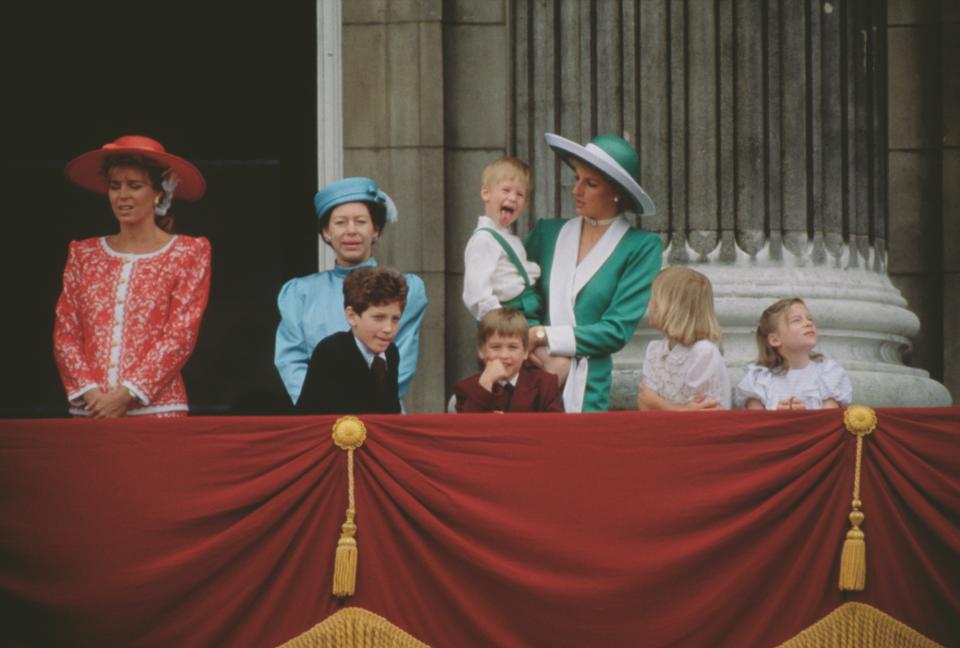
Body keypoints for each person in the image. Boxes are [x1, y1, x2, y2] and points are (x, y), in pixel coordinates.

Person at [53, 135, 211, 417]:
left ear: (159, 192)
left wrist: (126, 394)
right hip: (92, 411)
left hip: (158, 411)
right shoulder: (83, 254)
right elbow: (66, 333)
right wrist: (91, 394)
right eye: (115, 186)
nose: (122, 195)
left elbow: (180, 335)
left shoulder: (189, 252)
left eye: (134, 186)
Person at [524, 133, 663, 412]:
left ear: (617, 192)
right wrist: (529, 335)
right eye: (576, 178)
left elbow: (616, 330)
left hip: (587, 388)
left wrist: (544, 336)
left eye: (590, 183)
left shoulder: (641, 247)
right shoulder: (547, 233)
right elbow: (516, 294)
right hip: (529, 373)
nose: (576, 190)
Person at [275, 177, 427, 406]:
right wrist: (322, 407)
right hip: (319, 419)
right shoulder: (300, 293)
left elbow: (401, 361)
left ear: (375, 229)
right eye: (340, 222)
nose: (351, 231)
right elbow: (291, 360)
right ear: (326, 231)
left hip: (380, 417)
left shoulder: (405, 288)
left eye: (360, 221)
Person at [461, 156, 569, 382]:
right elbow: (477, 293)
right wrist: (503, 331)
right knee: (557, 365)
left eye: (520, 194)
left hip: (526, 316)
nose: (512, 197)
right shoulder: (484, 240)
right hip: (509, 320)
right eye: (506, 190)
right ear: (486, 193)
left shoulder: (508, 238)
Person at [295, 266, 406, 415]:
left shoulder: (391, 353)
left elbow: (391, 413)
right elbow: (313, 416)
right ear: (352, 316)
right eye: (379, 318)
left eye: (395, 319)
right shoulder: (331, 351)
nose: (388, 328)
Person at [637, 267, 730, 411]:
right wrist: (680, 409)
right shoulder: (655, 350)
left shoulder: (703, 352)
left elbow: (700, 417)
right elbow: (644, 405)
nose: (648, 304)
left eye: (653, 299)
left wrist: (657, 403)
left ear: (671, 307)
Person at [735, 297, 853, 410]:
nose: (808, 323)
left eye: (809, 318)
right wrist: (778, 418)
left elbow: (827, 421)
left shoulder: (828, 373)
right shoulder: (759, 378)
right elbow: (756, 423)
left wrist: (803, 417)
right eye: (797, 320)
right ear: (775, 340)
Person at [453, 308, 564, 413]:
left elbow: (554, 428)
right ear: (481, 351)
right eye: (496, 347)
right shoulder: (466, 388)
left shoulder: (545, 384)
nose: (504, 355)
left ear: (525, 352)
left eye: (512, 347)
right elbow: (467, 428)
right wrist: (485, 384)